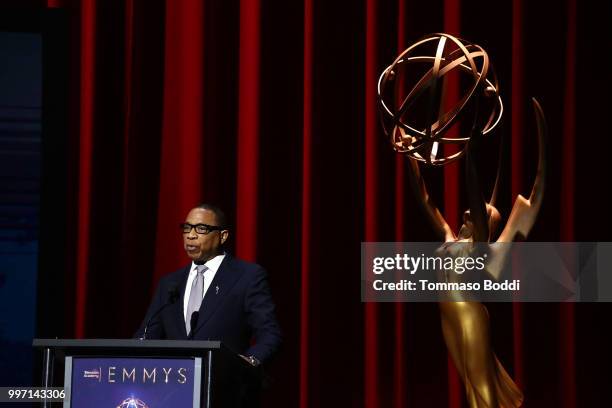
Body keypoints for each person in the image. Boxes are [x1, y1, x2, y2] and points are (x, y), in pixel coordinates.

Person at [135, 203, 282, 368]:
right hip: (175, 386)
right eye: (187, 228)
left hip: (223, 384)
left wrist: (250, 362)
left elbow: (269, 334)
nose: (190, 235)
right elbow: (147, 336)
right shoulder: (169, 283)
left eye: (201, 229)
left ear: (223, 236)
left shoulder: (247, 277)